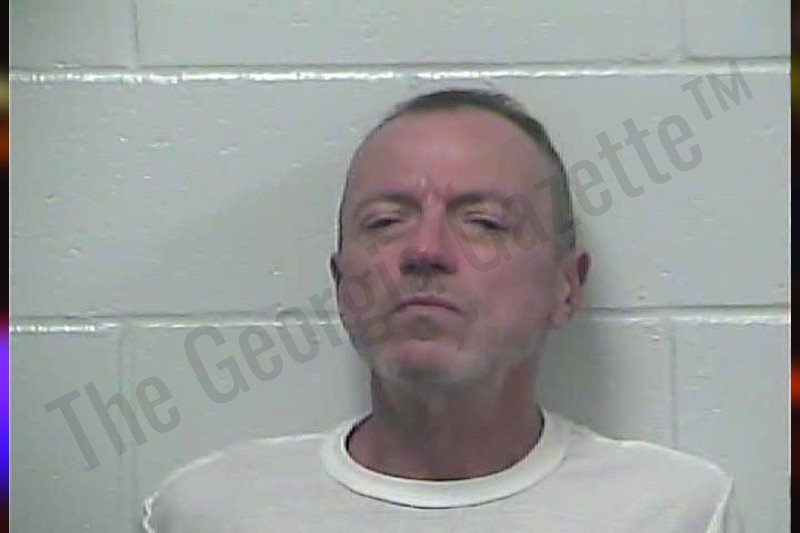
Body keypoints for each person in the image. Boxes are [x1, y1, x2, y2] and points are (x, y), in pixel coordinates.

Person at [142, 89, 741, 532]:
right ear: (342, 284)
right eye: (385, 222)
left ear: (566, 288)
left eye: (484, 223)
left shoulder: (676, 511)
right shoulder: (210, 511)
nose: (424, 251)